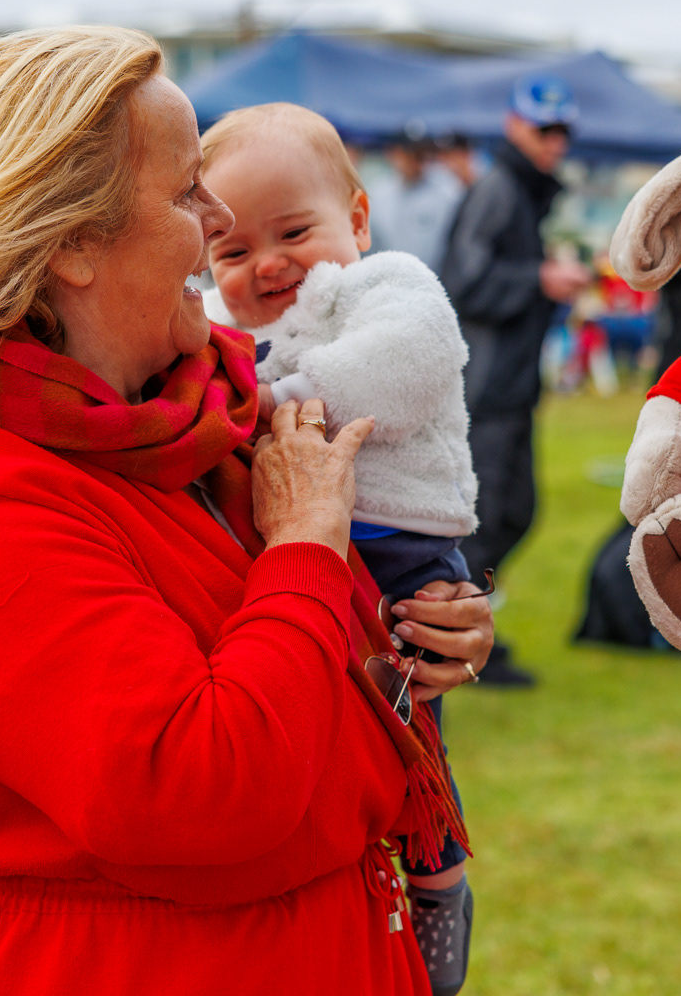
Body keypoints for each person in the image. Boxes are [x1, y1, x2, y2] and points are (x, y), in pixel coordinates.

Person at [0, 27, 493, 994]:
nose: (219, 218)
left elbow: (299, 657)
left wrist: (419, 631)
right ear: (72, 244)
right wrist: (305, 549)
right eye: (186, 190)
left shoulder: (205, 401)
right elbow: (201, 794)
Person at [198, 102, 479, 996]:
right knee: (320, 723)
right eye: (233, 250)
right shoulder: (217, 326)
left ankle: (438, 880)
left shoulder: (386, 285)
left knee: (411, 724)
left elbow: (411, 361)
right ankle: (357, 864)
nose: (267, 264)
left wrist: (286, 396)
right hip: (292, 549)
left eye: (294, 232)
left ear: (357, 218)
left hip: (400, 541)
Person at [441, 75, 591, 686]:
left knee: (514, 513)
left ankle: (464, 633)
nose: (556, 141)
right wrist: (540, 279)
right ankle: (456, 645)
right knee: (489, 518)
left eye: (563, 130)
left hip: (510, 384)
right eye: (543, 129)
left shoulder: (524, 191)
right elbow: (464, 280)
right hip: (486, 388)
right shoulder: (499, 188)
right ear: (513, 126)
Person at [369, 126, 465, 272]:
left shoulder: (448, 192)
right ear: (394, 153)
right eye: (410, 154)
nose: (417, 161)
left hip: (436, 281)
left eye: (421, 154)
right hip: (389, 280)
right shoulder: (378, 194)